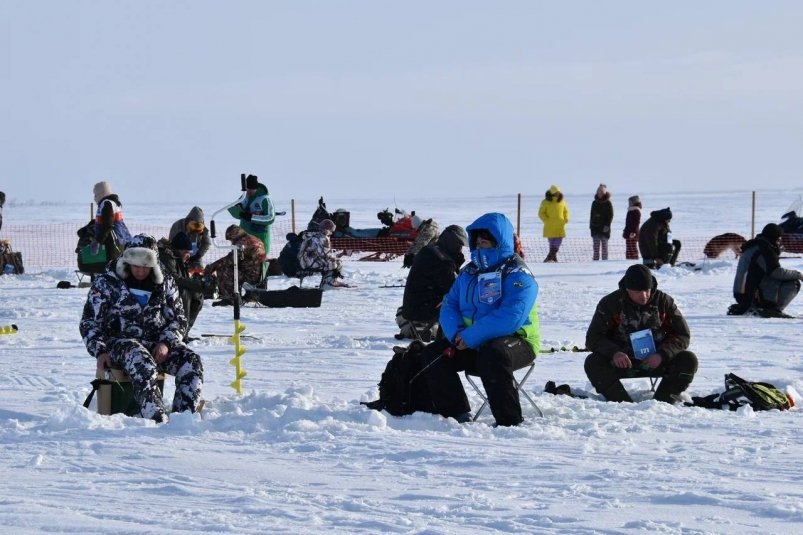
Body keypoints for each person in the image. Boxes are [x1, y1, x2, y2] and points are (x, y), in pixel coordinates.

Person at [427, 212, 541, 427]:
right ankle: (456, 416)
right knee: (434, 353)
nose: (480, 246)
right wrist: (456, 334)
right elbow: (449, 304)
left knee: (493, 354)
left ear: (500, 241)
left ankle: (509, 422)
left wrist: (470, 337)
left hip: (517, 342)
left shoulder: (518, 274)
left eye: (485, 242)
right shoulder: (468, 272)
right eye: (477, 242)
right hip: (471, 341)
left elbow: (511, 317)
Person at [79, 234, 204, 422]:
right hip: (120, 344)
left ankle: (184, 419)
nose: (140, 271)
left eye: (145, 266)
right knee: (143, 362)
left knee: (192, 362)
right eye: (136, 265)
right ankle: (156, 420)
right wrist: (100, 351)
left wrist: (166, 343)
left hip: (157, 344)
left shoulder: (165, 283)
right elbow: (89, 321)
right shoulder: (107, 282)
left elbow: (179, 319)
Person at [584, 264, 698, 403]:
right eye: (637, 292)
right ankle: (622, 403)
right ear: (627, 289)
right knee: (593, 363)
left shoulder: (664, 302)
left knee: (688, 360)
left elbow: (682, 335)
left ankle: (663, 402)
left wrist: (662, 355)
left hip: (656, 361)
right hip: (623, 362)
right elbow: (593, 338)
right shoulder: (610, 304)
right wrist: (614, 353)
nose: (643, 296)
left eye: (646, 290)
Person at [395, 225, 468, 341]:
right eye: (459, 245)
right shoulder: (442, 260)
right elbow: (454, 289)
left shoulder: (430, 250)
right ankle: (460, 336)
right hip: (422, 310)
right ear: (452, 242)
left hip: (413, 307)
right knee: (462, 304)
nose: (460, 249)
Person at [730, 223, 803, 318]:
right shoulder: (763, 249)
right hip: (750, 295)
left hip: (743, 294)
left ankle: (754, 306)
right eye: (779, 239)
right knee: (793, 283)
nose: (780, 242)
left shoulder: (755, 245)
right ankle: (773, 310)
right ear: (774, 238)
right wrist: (799, 275)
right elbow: (776, 272)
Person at [158, 232, 213, 340]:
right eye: (187, 252)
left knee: (197, 296)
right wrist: (199, 285)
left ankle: (184, 331)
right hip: (162, 291)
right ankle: (180, 333)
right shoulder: (166, 256)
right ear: (180, 250)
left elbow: (184, 277)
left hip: (173, 288)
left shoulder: (178, 258)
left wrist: (200, 283)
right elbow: (175, 279)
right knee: (184, 294)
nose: (189, 255)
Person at [206, 224, 267, 304]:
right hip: (260, 273)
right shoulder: (254, 238)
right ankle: (246, 296)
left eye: (231, 239)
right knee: (232, 267)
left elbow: (230, 259)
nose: (231, 242)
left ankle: (232, 298)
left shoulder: (242, 242)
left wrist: (213, 266)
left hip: (251, 274)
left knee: (224, 271)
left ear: (234, 235)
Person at [228, 174, 276, 254]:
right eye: (247, 189)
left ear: (256, 188)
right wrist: (238, 209)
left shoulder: (265, 199)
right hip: (244, 235)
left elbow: (271, 218)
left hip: (260, 236)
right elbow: (237, 211)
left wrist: (251, 217)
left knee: (260, 260)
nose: (249, 192)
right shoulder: (244, 197)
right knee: (241, 260)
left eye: (251, 190)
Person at [298, 219, 347, 288]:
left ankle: (329, 280)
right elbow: (324, 255)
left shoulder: (313, 235)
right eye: (331, 231)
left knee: (333, 261)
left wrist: (334, 252)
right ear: (327, 230)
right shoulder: (322, 238)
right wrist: (336, 258)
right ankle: (330, 281)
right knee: (337, 262)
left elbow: (320, 251)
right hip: (311, 263)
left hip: (305, 262)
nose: (332, 233)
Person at [91, 181, 132, 262]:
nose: (94, 198)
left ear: (101, 193)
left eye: (95, 195)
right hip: (118, 240)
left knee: (111, 267)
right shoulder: (111, 203)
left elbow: (107, 225)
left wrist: (98, 241)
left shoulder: (107, 204)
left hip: (113, 243)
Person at [538, 184, 569, 262]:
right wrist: (546, 220)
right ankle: (553, 258)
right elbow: (541, 213)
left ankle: (550, 257)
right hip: (550, 226)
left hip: (560, 225)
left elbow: (566, 211)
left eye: (558, 192)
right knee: (551, 243)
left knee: (558, 241)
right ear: (552, 193)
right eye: (556, 193)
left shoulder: (562, 202)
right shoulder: (545, 202)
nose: (557, 194)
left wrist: (566, 219)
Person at [589, 183, 613, 261]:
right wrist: (591, 226)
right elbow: (591, 215)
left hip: (604, 229)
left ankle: (604, 262)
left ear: (604, 193)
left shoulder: (608, 203)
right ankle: (595, 261)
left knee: (604, 247)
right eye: (598, 191)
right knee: (595, 248)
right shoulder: (594, 202)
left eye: (601, 192)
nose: (600, 193)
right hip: (595, 228)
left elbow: (610, 215)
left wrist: (607, 226)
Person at [623, 195, 642, 260]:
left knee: (632, 247)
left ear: (634, 202)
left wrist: (633, 232)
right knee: (629, 247)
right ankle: (629, 258)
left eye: (630, 202)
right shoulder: (630, 210)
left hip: (633, 233)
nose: (629, 203)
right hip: (628, 231)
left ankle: (634, 259)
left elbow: (636, 222)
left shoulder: (636, 211)